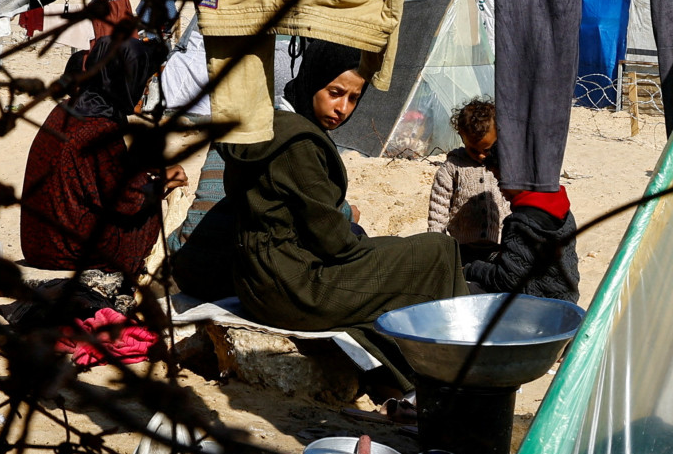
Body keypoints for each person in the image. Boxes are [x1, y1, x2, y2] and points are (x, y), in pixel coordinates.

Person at [220, 39, 466, 336]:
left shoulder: (268, 125)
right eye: (335, 93)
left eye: (353, 99)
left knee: (395, 252)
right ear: (313, 79)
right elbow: (334, 243)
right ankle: (455, 351)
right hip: (295, 291)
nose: (342, 109)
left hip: (258, 284)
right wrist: (376, 248)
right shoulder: (297, 144)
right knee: (438, 251)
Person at [18, 31, 184, 279]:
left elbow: (95, 175)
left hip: (38, 243)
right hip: (68, 249)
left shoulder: (67, 108)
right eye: (143, 79)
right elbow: (128, 201)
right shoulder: (101, 128)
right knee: (151, 215)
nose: (144, 88)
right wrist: (164, 182)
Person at [462, 181, 581, 302]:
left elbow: (507, 280)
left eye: (501, 179)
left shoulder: (520, 221)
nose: (500, 188)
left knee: (462, 290)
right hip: (566, 298)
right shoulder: (561, 207)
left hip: (540, 305)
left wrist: (470, 270)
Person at [429, 100, 504, 261]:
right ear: (462, 137)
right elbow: (438, 210)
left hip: (500, 246)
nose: (481, 156)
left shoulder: (503, 165)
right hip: (463, 248)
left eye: (487, 150)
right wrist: (436, 247)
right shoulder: (452, 168)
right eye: (474, 150)